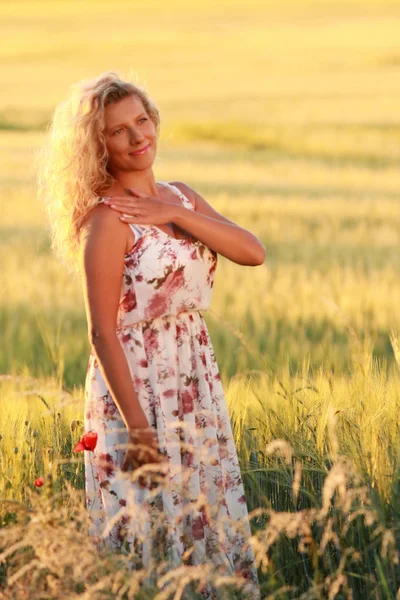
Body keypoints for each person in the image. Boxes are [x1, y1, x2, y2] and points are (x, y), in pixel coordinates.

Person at [37, 71, 265, 599]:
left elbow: (252, 251)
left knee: (205, 515)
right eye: (118, 130)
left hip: (193, 378)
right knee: (148, 531)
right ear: (99, 146)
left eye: (142, 120)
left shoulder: (181, 196)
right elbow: (101, 332)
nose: (137, 136)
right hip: (137, 387)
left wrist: (169, 211)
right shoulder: (107, 221)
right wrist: (139, 432)